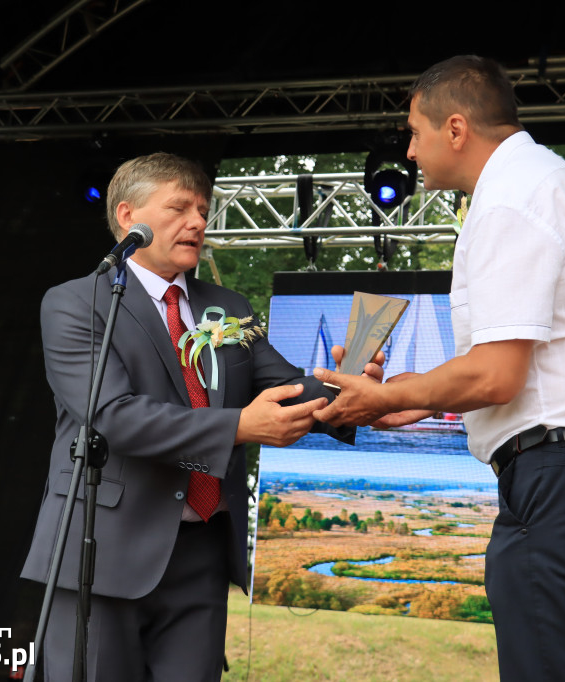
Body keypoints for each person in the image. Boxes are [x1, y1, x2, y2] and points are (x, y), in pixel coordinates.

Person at [312, 55, 565, 681]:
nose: (409, 154)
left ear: (455, 128)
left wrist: (384, 399)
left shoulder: (509, 201)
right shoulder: (560, 187)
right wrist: (402, 400)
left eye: (413, 134)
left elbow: (497, 376)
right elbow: (523, 368)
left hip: (563, 477)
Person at [22, 152, 360, 681]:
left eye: (203, 209)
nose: (198, 221)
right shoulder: (75, 302)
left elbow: (288, 386)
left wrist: (360, 398)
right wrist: (239, 428)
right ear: (129, 218)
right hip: (103, 548)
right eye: (180, 207)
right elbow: (113, 415)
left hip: (201, 551)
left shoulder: (227, 306)